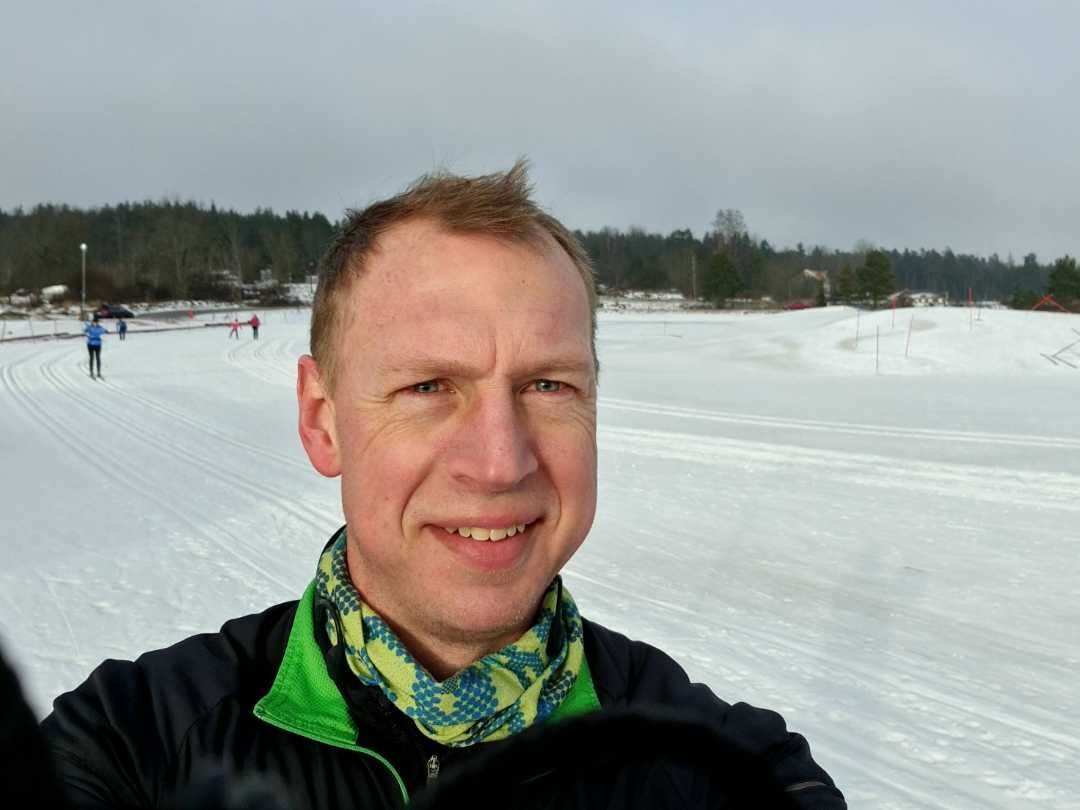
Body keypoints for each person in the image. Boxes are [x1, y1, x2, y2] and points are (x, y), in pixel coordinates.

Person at [41, 164, 845, 809]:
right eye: (428, 387)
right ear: (322, 421)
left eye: (548, 386)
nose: (500, 463)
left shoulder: (724, 771)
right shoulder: (133, 741)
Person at [83, 315, 108, 379]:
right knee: (91, 358)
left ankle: (98, 372)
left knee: (98, 358)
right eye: (94, 322)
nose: (95, 323)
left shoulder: (100, 327)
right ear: (92, 322)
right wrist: (85, 331)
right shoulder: (89, 327)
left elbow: (104, 330)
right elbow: (84, 330)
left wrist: (106, 331)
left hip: (98, 344)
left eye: (96, 322)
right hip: (90, 344)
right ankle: (91, 372)